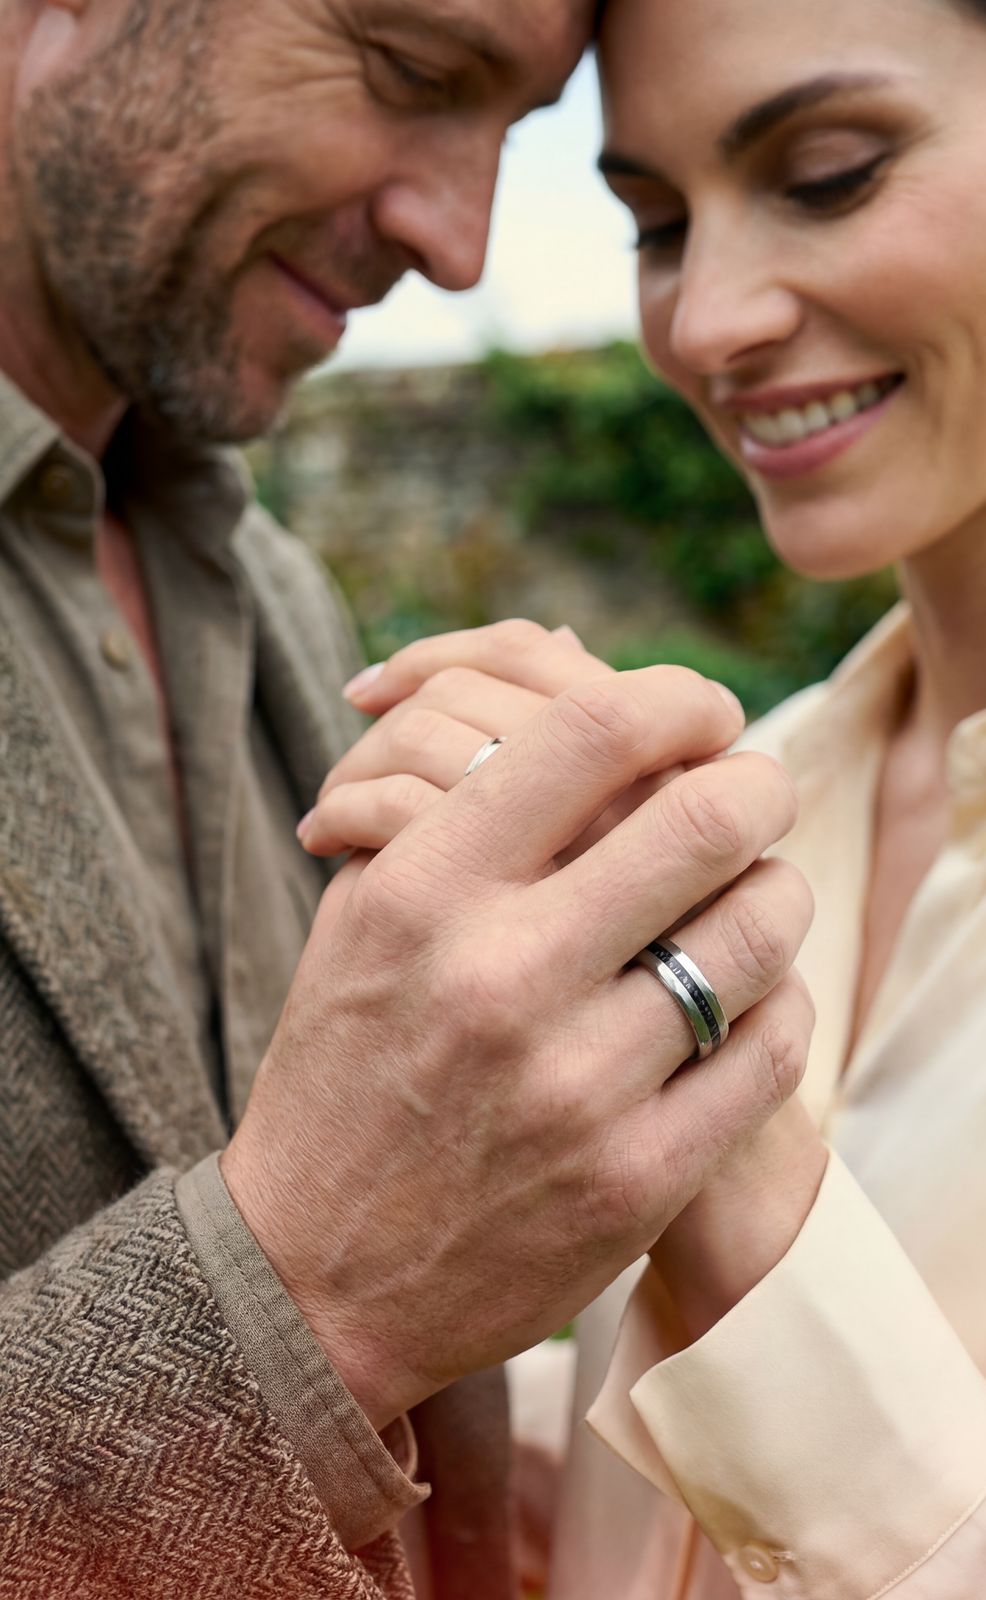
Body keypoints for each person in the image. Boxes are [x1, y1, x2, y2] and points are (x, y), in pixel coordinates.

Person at [311, 0, 986, 1593]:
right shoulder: (756, 783)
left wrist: (740, 1167)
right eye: (654, 223)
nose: (706, 319)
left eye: (828, 173)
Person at [0, 2, 818, 1596]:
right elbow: (323, 1276)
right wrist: (305, 1299)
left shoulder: (282, 608)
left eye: (509, 125)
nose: (460, 241)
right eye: (411, 72)